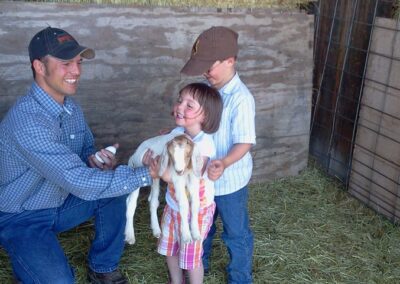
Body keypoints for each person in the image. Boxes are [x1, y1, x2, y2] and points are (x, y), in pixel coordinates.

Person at [0, 27, 158, 284]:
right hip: (22, 216)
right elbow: (79, 181)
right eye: (65, 63)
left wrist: (95, 159)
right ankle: (28, 261)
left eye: (78, 62)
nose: (76, 71)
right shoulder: (27, 120)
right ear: (39, 67)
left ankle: (103, 267)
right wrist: (147, 174)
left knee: (112, 190)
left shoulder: (71, 107)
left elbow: (84, 151)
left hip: (59, 202)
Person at [181, 26, 256, 284]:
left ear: (230, 61)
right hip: (204, 181)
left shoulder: (240, 98)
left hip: (230, 182)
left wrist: (223, 162)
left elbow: (245, 142)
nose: (204, 72)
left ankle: (240, 277)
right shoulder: (208, 93)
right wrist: (176, 134)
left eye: (208, 66)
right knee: (203, 227)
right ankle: (197, 268)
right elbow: (197, 123)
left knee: (236, 233)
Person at [156, 82, 223, 284]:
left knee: (191, 257)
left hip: (197, 211)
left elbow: (189, 175)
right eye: (180, 101)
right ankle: (176, 281)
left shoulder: (204, 144)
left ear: (205, 116)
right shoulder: (177, 134)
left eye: (189, 105)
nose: (180, 107)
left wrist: (160, 171)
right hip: (174, 205)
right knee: (170, 247)